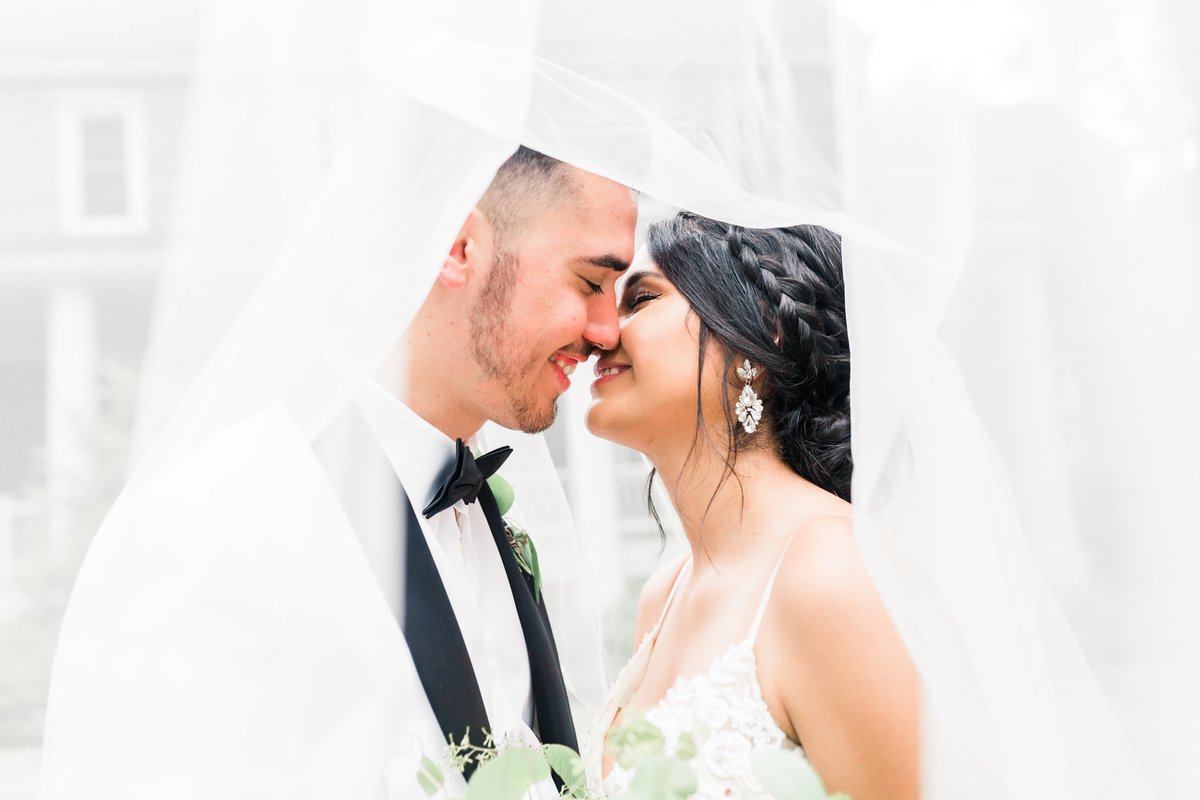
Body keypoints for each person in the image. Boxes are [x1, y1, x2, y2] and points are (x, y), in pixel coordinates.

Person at [38, 145, 635, 800]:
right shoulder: (209, 521)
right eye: (589, 282)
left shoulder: (499, 514)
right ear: (461, 247)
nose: (609, 330)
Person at [585, 212, 919, 799]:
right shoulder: (660, 598)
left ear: (761, 335)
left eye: (639, 298)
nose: (599, 332)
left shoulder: (833, 572)